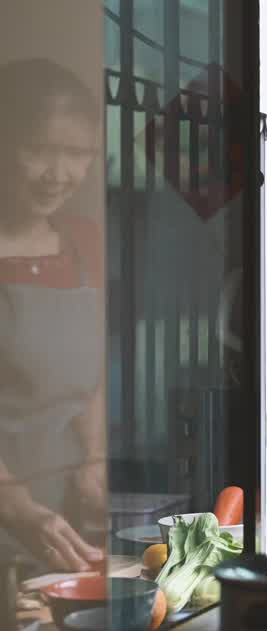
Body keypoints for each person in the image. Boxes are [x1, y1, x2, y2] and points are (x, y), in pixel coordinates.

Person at [0, 58, 106, 572]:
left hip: (64, 524)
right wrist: (18, 508)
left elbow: (87, 378)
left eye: (77, 154)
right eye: (38, 150)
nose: (57, 174)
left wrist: (91, 460)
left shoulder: (84, 242)